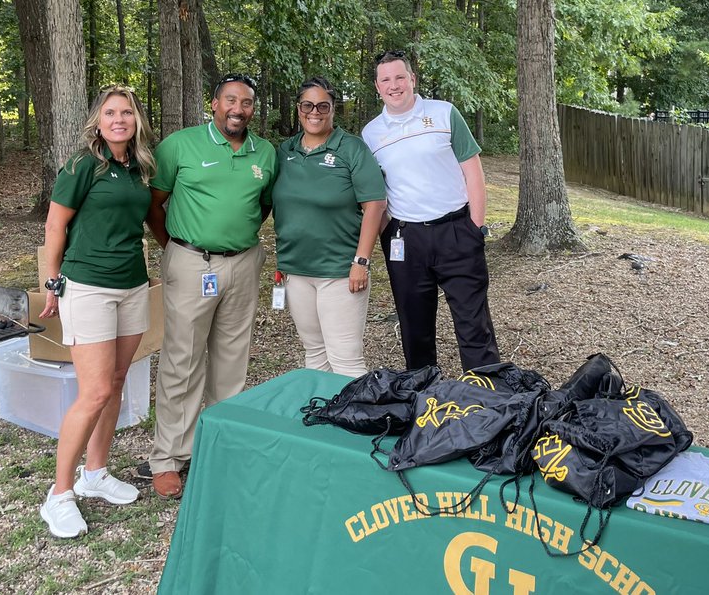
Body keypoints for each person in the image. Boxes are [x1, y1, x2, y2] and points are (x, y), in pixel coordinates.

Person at [144, 73, 276, 499]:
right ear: (214, 104)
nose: (239, 109)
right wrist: (175, 247)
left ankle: (221, 448)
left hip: (243, 262)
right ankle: (168, 458)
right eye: (231, 100)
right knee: (182, 359)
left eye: (247, 102)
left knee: (232, 360)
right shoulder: (180, 145)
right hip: (191, 263)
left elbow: (264, 204)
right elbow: (154, 202)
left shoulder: (265, 153)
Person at [38, 84, 155, 539]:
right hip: (88, 286)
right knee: (94, 391)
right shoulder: (82, 164)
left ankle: (95, 474)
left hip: (132, 285)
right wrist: (52, 281)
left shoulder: (141, 167)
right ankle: (59, 495)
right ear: (98, 119)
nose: (119, 119)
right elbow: (54, 223)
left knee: (117, 384)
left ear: (137, 119)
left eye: (127, 112)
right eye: (111, 112)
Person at [361, 50, 500, 371]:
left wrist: (475, 228)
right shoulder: (370, 134)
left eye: (400, 77)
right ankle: (422, 396)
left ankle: (489, 394)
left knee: (473, 323)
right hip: (405, 241)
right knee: (414, 326)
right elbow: (375, 194)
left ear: (412, 79)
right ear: (377, 87)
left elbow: (473, 172)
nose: (394, 85)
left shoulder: (444, 113)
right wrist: (385, 235)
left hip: (457, 232)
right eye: (386, 80)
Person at [272, 77, 386, 376]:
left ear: (333, 109)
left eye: (323, 105)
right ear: (298, 109)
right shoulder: (285, 151)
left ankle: (354, 420)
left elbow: (374, 205)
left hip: (340, 271)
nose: (315, 111)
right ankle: (323, 417)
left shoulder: (352, 149)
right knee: (315, 353)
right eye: (308, 105)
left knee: (345, 359)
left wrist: (361, 261)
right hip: (296, 271)